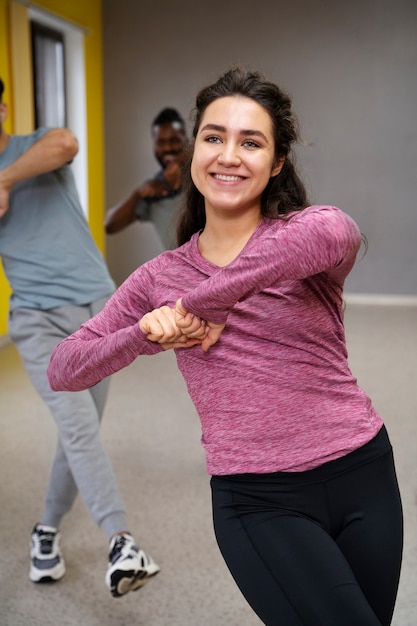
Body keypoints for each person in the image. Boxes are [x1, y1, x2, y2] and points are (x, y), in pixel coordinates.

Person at [47, 67, 403, 625]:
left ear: (277, 161)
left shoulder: (300, 239)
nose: (229, 155)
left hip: (365, 473)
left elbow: (338, 230)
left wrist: (202, 304)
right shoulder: (158, 277)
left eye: (251, 141)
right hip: (260, 500)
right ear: (195, 150)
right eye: (214, 137)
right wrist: (143, 334)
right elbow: (64, 368)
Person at [0, 78, 159, 598]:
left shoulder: (37, 148)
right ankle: (122, 541)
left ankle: (45, 531)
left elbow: (67, 143)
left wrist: (1, 180)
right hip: (37, 320)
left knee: (80, 432)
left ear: (2, 109)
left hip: (98, 310)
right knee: (79, 426)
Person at [105, 107, 188, 249]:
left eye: (174, 140)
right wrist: (138, 194)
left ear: (186, 140)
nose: (167, 148)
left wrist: (180, 162)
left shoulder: (203, 174)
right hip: (180, 270)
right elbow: (110, 225)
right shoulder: (154, 190)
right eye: (161, 142)